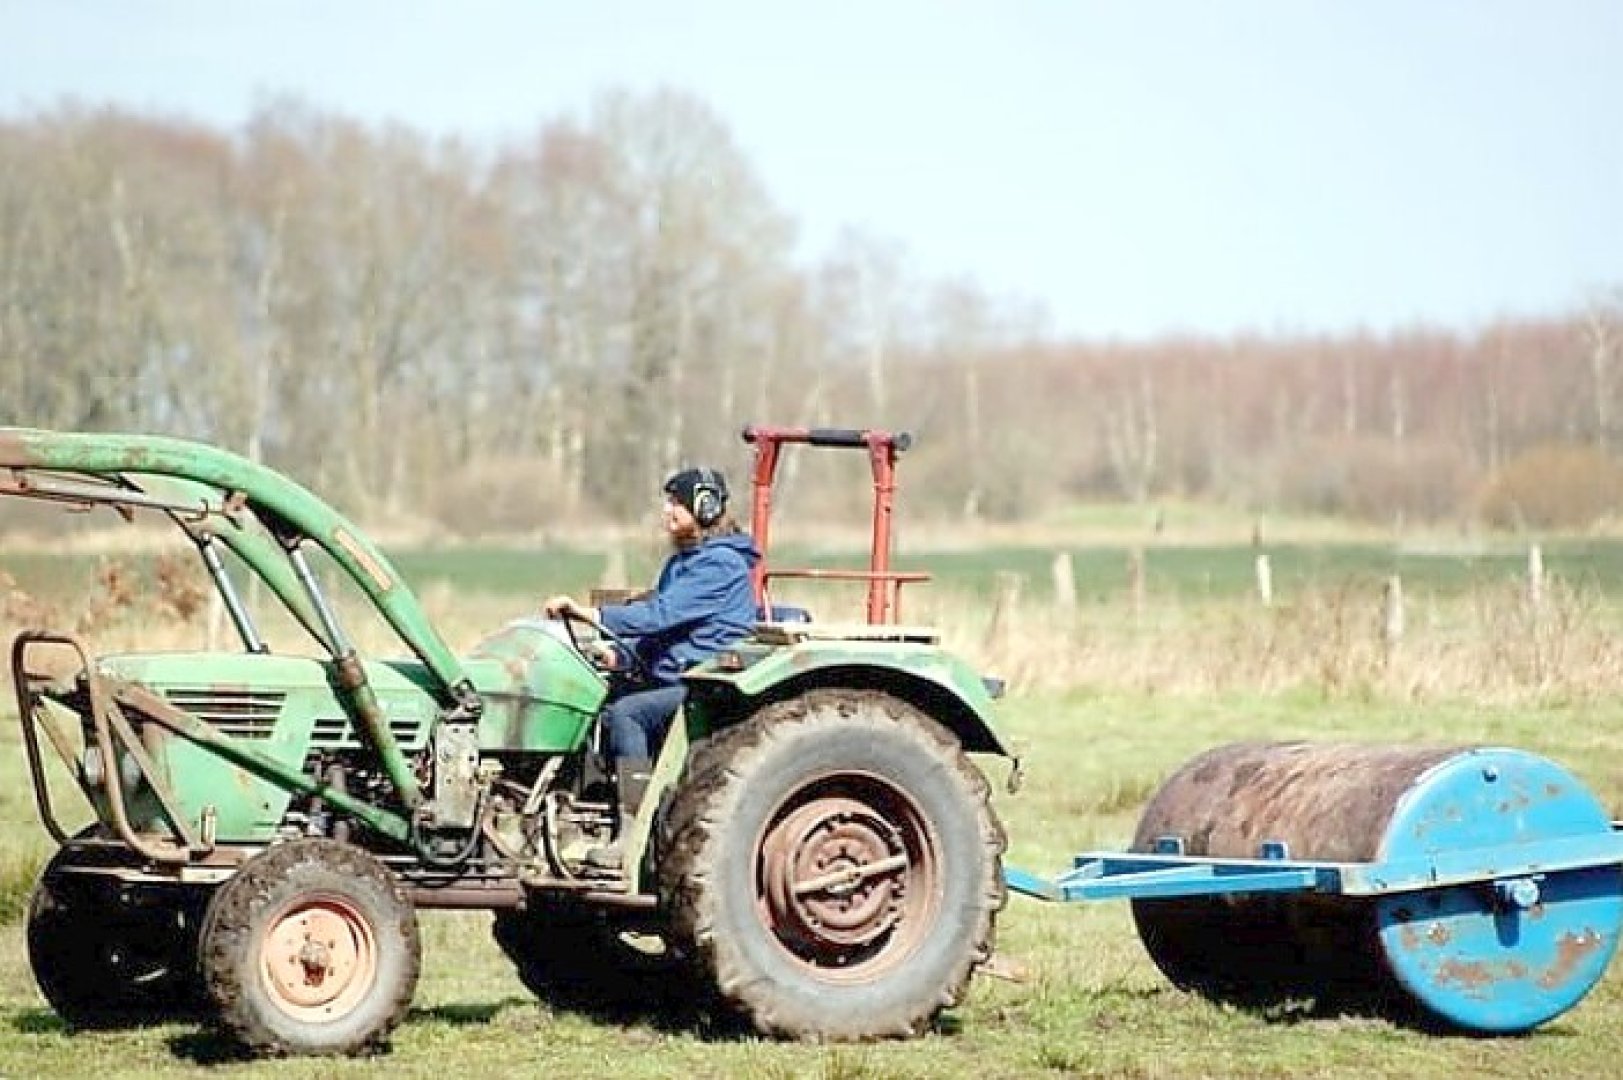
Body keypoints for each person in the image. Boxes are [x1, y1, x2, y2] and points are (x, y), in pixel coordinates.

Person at [542, 466, 759, 869]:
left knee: (630, 715)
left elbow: (661, 615)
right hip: (672, 671)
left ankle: (632, 833)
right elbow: (665, 630)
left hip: (701, 682)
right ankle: (576, 813)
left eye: (676, 502)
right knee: (599, 704)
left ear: (705, 507)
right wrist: (620, 657)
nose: (667, 511)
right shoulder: (685, 562)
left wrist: (591, 614)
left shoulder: (720, 565)